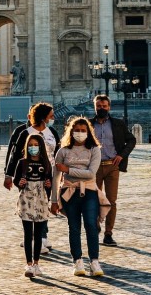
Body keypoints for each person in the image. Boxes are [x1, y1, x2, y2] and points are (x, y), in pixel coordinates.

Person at [50, 116, 106, 277]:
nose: (80, 133)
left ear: (88, 132)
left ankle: (94, 261)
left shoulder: (95, 149)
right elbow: (56, 177)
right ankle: (77, 261)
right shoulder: (63, 151)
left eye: (83, 131)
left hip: (89, 191)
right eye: (77, 131)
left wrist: (68, 170)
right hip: (69, 192)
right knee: (73, 227)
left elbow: (90, 174)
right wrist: (54, 200)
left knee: (91, 225)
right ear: (71, 132)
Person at [4, 102, 60, 253]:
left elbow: (58, 154)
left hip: (48, 175)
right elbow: (15, 155)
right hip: (28, 176)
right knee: (30, 206)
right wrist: (8, 175)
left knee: (43, 204)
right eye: (50, 115)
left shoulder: (52, 132)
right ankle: (34, 239)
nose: (53, 117)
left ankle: (41, 237)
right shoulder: (25, 133)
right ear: (43, 117)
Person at [90, 94, 136, 247]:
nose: (101, 108)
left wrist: (121, 156)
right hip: (93, 168)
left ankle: (108, 233)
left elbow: (131, 140)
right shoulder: (88, 125)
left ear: (109, 107)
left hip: (112, 166)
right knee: (93, 200)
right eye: (99, 106)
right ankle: (95, 226)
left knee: (111, 201)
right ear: (94, 107)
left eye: (104, 106)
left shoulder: (118, 124)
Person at [15, 134, 53, 278]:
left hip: (41, 199)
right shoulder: (23, 162)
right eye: (30, 145)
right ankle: (29, 264)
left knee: (38, 233)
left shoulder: (46, 163)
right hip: (26, 199)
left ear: (41, 146)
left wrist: (48, 186)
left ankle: (37, 263)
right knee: (27, 233)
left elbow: (49, 181)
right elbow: (16, 181)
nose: (33, 148)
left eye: (36, 145)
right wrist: (20, 183)